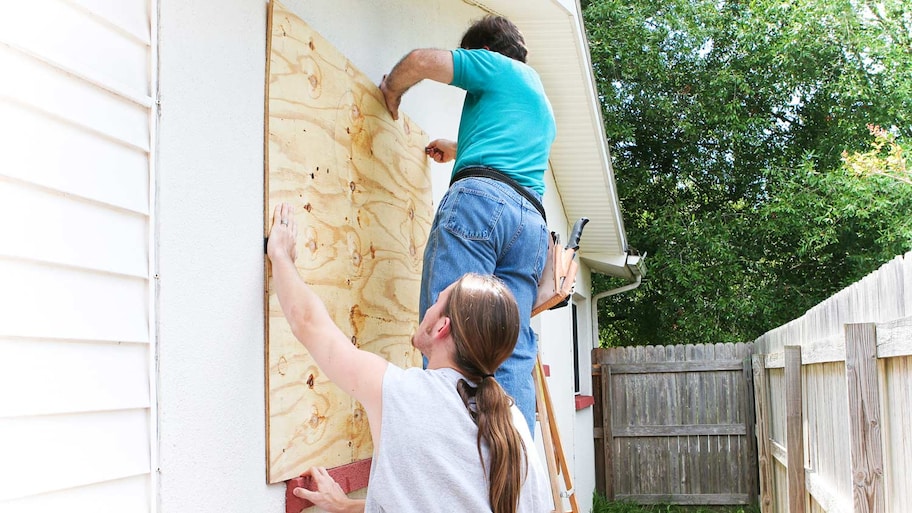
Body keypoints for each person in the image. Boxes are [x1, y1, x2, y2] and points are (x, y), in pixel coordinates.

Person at [267, 203, 551, 513]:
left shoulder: (402, 394)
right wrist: (347, 506)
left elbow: (308, 323)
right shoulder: (513, 424)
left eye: (437, 300)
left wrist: (281, 256)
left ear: (442, 327)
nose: (429, 306)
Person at [379, 15, 556, 433]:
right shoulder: (540, 102)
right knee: (506, 344)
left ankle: (448, 458)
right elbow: (508, 154)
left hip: (481, 207)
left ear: (484, 51)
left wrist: (390, 89)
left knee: (450, 330)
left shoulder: (494, 65)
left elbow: (422, 61)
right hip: (529, 226)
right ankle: (507, 474)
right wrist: (458, 149)